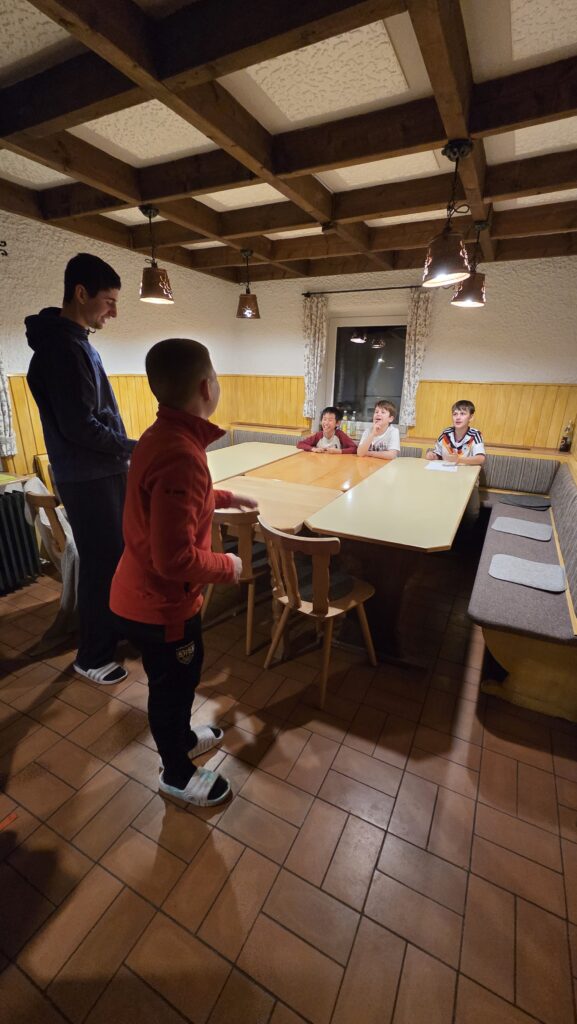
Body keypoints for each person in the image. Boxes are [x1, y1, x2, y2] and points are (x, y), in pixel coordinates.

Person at [110, 338, 258, 807]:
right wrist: (228, 565)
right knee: (172, 688)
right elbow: (173, 559)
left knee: (182, 678)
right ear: (206, 387)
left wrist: (226, 497)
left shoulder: (161, 436)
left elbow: (171, 501)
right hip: (160, 605)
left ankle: (182, 739)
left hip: (144, 593)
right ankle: (175, 772)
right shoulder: (181, 453)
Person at [26, 253, 136, 685]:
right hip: (87, 475)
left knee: (113, 557)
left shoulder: (74, 340)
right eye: (109, 301)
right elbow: (79, 427)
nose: (114, 312)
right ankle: (91, 657)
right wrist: (132, 446)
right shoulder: (61, 348)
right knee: (100, 564)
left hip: (101, 471)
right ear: (81, 293)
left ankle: (112, 630)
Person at [425, 399, 486, 465]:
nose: (458, 417)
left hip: (466, 470)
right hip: (447, 470)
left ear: (471, 418)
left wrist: (459, 460)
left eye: (462, 414)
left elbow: (481, 458)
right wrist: (432, 456)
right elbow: (438, 455)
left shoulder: (475, 434)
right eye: (455, 414)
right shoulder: (445, 433)